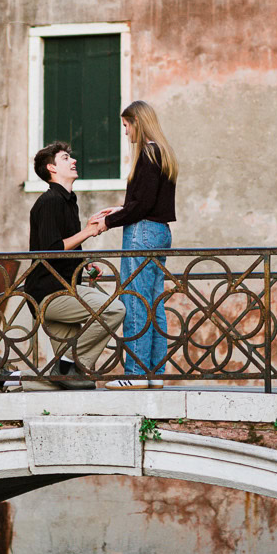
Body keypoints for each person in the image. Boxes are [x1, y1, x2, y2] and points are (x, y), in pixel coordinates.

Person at [22, 142, 122, 388]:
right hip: (50, 293)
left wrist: (84, 264)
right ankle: (67, 362)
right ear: (52, 168)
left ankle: (5, 379)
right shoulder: (49, 202)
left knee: (72, 383)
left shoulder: (67, 201)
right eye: (66, 157)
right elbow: (50, 250)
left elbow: (63, 244)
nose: (73, 160)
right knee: (114, 309)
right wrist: (88, 232)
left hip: (64, 287)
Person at [96, 100, 179, 386]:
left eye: (126, 125)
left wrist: (107, 223)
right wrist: (120, 209)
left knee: (135, 300)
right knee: (154, 301)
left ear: (136, 122)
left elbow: (142, 205)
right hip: (159, 233)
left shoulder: (147, 153)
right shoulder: (162, 153)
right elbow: (148, 201)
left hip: (142, 232)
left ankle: (136, 374)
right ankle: (154, 373)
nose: (125, 132)